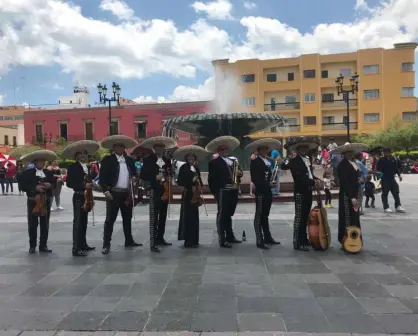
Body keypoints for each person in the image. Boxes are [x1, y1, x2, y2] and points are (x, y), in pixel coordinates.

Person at [99, 135, 142, 255]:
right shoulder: (108, 160)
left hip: (127, 193)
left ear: (124, 148)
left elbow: (134, 174)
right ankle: (106, 244)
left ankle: (129, 240)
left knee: (127, 218)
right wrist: (106, 190)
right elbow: (102, 178)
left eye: (122, 146)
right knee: (110, 219)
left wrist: (134, 179)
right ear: (114, 148)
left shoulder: (129, 160)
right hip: (114, 193)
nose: (120, 148)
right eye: (117, 146)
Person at [281, 137, 320, 251]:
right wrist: (313, 181)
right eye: (302, 148)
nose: (304, 150)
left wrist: (317, 179)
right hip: (300, 192)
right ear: (297, 149)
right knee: (299, 217)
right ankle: (297, 242)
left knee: (305, 217)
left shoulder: (307, 159)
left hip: (307, 190)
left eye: (306, 148)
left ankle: (304, 239)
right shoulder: (295, 161)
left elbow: (309, 174)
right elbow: (300, 178)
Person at [140, 136, 178, 252]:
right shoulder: (148, 160)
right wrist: (154, 177)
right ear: (154, 148)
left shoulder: (167, 160)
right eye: (157, 147)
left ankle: (160, 237)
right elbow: (142, 176)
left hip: (164, 189)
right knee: (154, 217)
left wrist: (168, 175)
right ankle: (153, 243)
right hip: (154, 190)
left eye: (161, 147)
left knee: (163, 215)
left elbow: (169, 172)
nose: (160, 149)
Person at [64, 140, 100, 257]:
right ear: (77, 155)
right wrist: (83, 185)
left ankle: (83, 244)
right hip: (79, 195)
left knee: (84, 221)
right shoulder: (73, 167)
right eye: (81, 154)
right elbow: (69, 183)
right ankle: (76, 248)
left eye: (84, 153)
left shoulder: (87, 166)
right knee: (78, 222)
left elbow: (89, 179)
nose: (83, 155)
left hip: (86, 195)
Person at [330, 142, 368, 249]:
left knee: (354, 217)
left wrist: (359, 179)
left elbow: (357, 177)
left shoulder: (354, 163)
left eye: (351, 153)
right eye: (348, 154)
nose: (350, 155)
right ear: (343, 154)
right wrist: (351, 197)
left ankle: (355, 238)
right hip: (347, 194)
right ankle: (345, 239)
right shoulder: (342, 165)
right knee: (347, 217)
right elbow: (345, 182)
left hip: (355, 192)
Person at [207, 136, 243, 248]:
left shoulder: (233, 161)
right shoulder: (214, 162)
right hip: (222, 191)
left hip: (232, 190)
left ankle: (230, 236)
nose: (224, 151)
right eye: (222, 149)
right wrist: (215, 193)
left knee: (229, 214)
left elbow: (237, 174)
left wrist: (239, 174)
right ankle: (222, 239)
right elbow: (211, 180)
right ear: (218, 151)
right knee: (222, 215)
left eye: (226, 149)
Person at [246, 139, 281, 249]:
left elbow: (268, 176)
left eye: (266, 149)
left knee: (265, 215)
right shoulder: (255, 162)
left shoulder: (267, 162)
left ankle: (267, 237)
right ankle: (259, 239)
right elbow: (256, 179)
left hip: (267, 192)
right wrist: (268, 185)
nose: (265, 151)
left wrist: (271, 183)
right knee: (259, 216)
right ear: (258, 150)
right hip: (261, 192)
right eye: (263, 149)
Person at [20, 150, 57, 254]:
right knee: (33, 224)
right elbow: (22, 186)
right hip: (33, 201)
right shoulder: (27, 173)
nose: (42, 163)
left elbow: (54, 184)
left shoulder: (48, 173)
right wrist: (34, 188)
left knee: (45, 224)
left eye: (43, 161)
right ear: (35, 162)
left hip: (45, 201)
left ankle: (43, 245)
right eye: (40, 161)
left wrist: (50, 185)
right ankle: (32, 245)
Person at [175, 145, 206, 248]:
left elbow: (200, 182)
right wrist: (191, 181)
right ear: (186, 158)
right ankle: (188, 240)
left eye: (193, 157)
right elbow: (180, 181)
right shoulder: (184, 167)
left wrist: (198, 182)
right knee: (187, 217)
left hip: (195, 194)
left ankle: (195, 239)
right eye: (189, 157)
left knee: (195, 217)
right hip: (188, 195)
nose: (191, 159)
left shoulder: (196, 168)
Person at [376, 148, 405, 213]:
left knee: (396, 192)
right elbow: (378, 170)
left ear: (389, 152)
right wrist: (379, 179)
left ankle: (398, 206)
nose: (384, 153)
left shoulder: (393, 159)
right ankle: (386, 207)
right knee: (385, 193)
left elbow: (396, 168)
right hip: (384, 178)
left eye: (385, 152)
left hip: (392, 178)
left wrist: (399, 175)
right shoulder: (381, 160)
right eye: (383, 152)